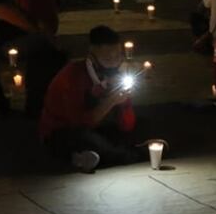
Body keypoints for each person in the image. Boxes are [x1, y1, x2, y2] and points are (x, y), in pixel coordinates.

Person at [39, 26, 141, 173]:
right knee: (92, 142)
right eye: (107, 58)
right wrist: (110, 101)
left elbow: (126, 126)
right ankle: (103, 155)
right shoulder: (72, 75)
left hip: (98, 128)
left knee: (140, 129)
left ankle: (88, 156)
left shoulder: (116, 76)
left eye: (118, 56)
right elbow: (79, 122)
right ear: (92, 58)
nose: (114, 62)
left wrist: (124, 102)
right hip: (64, 131)